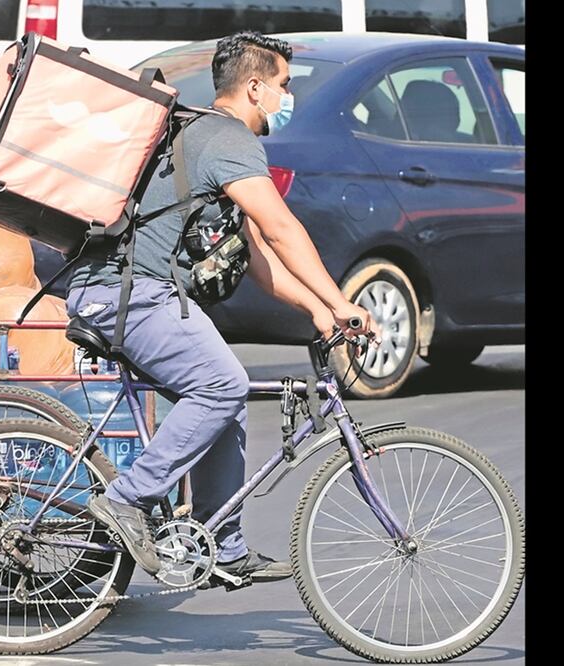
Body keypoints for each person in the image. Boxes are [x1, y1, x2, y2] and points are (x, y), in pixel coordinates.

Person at [67, 32, 380, 583]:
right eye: (284, 86)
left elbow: (256, 256)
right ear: (255, 87)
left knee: (225, 400)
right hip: (129, 294)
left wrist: (318, 310)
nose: (287, 99)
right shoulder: (228, 139)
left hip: (129, 292)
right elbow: (282, 229)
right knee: (222, 385)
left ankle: (222, 545)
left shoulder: (202, 135)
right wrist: (341, 299)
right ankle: (128, 498)